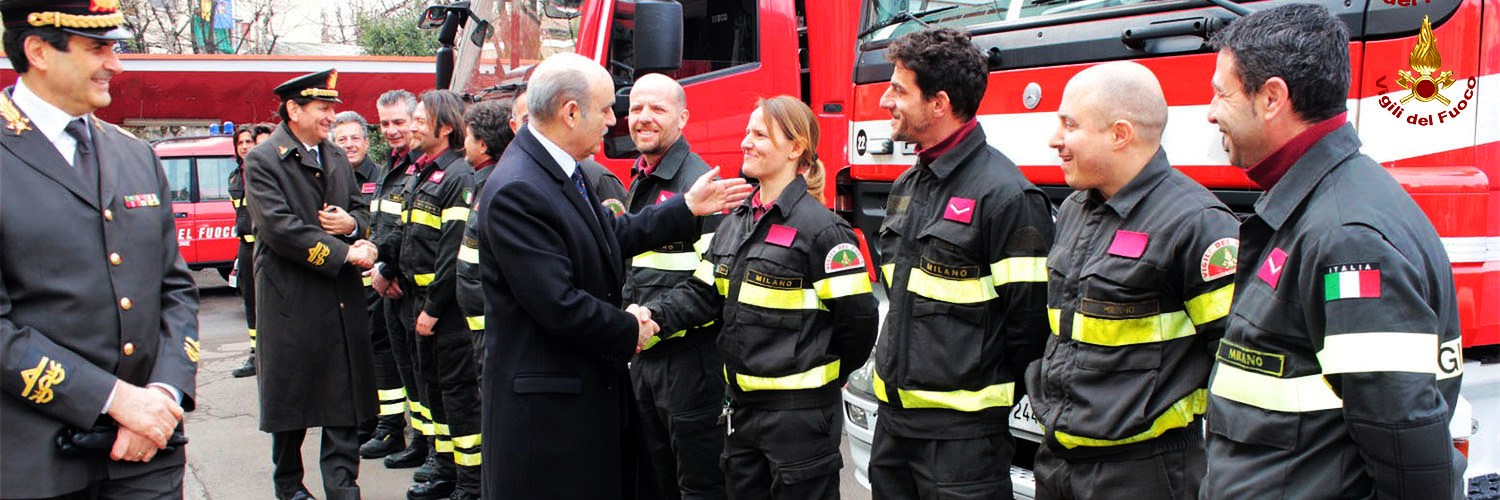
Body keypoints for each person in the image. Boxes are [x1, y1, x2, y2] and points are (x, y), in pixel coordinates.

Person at [1202, 4, 1464, 499]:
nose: (1211, 111)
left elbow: (1409, 456)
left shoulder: (1346, 237)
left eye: (1222, 93)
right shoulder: (1316, 208)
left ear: (1272, 98)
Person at [476, 52, 751, 500]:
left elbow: (610, 235)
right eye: (606, 108)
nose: (613, 120)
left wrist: (685, 208)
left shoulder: (561, 171)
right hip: (548, 414)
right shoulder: (520, 189)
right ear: (570, 112)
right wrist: (632, 328)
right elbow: (559, 305)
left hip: (583, 394)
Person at [0, 1, 198, 497]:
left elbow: (175, 289)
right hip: (34, 462)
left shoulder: (134, 153)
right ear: (38, 51)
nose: (117, 64)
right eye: (98, 49)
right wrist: (112, 399)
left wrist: (160, 396)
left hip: (148, 452)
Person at [637, 95, 879, 500]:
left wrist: (819, 379)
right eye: (747, 132)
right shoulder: (738, 222)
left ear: (796, 147)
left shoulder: (823, 231)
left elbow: (858, 324)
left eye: (760, 134)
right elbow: (701, 293)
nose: (746, 142)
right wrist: (650, 316)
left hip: (799, 420)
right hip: (740, 411)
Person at [1027, 62, 1237, 500]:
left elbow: (1234, 364)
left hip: (1143, 474)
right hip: (1058, 462)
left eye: (1069, 124)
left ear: (1120, 134)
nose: (1054, 139)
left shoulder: (1197, 224)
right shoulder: (1072, 210)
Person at [867, 28, 1054, 500]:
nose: (886, 100)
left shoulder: (1007, 195)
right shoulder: (908, 184)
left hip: (962, 444)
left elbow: (1030, 326)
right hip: (895, 428)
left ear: (939, 103)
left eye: (898, 89)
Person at [243, 69, 379, 500]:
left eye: (331, 108)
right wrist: (343, 252)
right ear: (294, 110)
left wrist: (354, 224)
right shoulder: (264, 159)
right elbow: (278, 229)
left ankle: (343, 487)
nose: (330, 117)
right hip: (291, 295)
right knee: (291, 398)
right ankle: (289, 485)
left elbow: (361, 208)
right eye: (323, 108)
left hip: (339, 295)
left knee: (343, 394)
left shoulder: (334, 155)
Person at [622, 73, 728, 500]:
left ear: (682, 118)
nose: (644, 118)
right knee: (652, 480)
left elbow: (713, 284)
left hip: (689, 365)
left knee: (699, 486)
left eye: (657, 109)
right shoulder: (641, 180)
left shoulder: (701, 185)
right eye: (636, 109)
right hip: (643, 358)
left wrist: (650, 321)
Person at [388, 89, 479, 500]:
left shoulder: (458, 175)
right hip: (415, 304)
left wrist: (433, 307)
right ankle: (444, 468)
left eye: (420, 120)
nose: (411, 127)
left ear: (444, 128)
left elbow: (451, 253)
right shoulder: (423, 172)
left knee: (458, 398)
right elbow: (406, 235)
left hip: (445, 314)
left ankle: (471, 483)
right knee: (433, 394)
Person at [332, 110, 410, 458]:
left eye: (354, 138)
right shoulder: (329, 177)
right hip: (340, 279)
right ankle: (364, 418)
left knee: (381, 353)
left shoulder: (381, 176)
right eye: (341, 139)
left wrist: (356, 232)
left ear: (367, 141)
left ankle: (389, 425)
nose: (348, 145)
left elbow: (385, 227)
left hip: (375, 277)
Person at [368, 89, 430, 467]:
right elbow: (383, 228)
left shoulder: (422, 167)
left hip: (408, 286)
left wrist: (389, 271)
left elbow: (413, 232)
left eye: (398, 122)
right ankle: (419, 441)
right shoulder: (390, 166)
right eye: (384, 123)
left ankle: (427, 445)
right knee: (407, 370)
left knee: (425, 377)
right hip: (389, 283)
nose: (391, 130)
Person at [456, 99, 515, 371]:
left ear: (483, 145)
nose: (463, 143)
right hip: (482, 324)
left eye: (468, 136)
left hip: (492, 327)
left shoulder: (497, 189)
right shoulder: (484, 183)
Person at [509, 89, 626, 207]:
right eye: (528, 122)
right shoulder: (511, 184)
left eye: (545, 119)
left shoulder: (594, 177)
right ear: (514, 127)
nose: (539, 128)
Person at [229, 122, 274, 379]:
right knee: (250, 303)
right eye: (241, 143)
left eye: (250, 142)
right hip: (245, 246)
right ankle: (255, 353)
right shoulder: (236, 176)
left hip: (264, 245)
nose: (246, 147)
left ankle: (269, 354)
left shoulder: (265, 171)